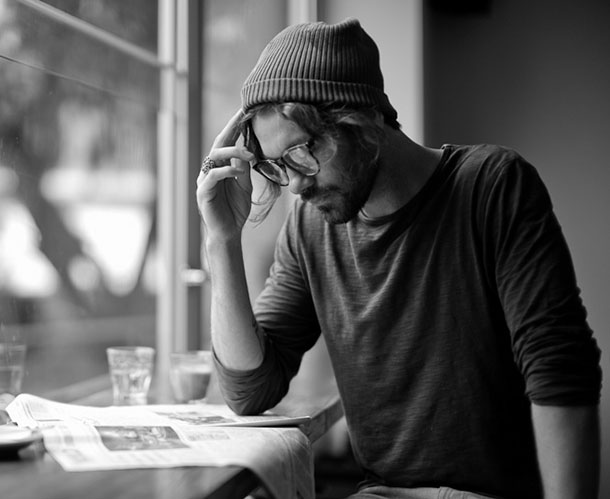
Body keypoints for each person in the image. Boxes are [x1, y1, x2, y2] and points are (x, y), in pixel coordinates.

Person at [196, 18, 601, 499]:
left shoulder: (492, 186)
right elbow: (249, 391)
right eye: (280, 167)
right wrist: (222, 241)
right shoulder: (310, 229)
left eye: (302, 154)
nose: (297, 185)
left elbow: (559, 370)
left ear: (362, 122)